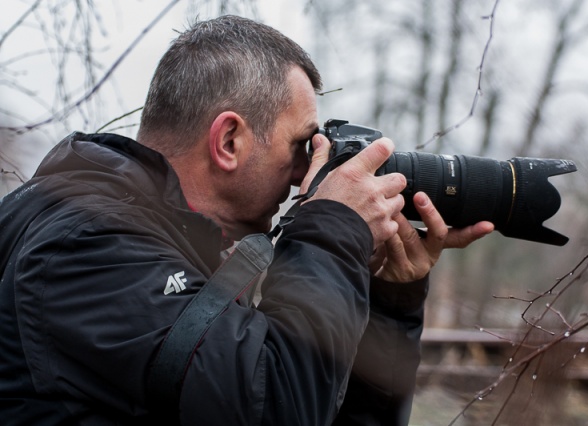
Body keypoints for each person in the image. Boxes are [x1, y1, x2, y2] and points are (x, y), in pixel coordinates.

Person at [0, 15, 493, 425]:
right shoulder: (83, 246)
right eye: (300, 144)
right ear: (229, 141)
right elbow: (276, 406)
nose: (306, 172)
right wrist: (332, 227)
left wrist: (387, 299)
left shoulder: (164, 242)